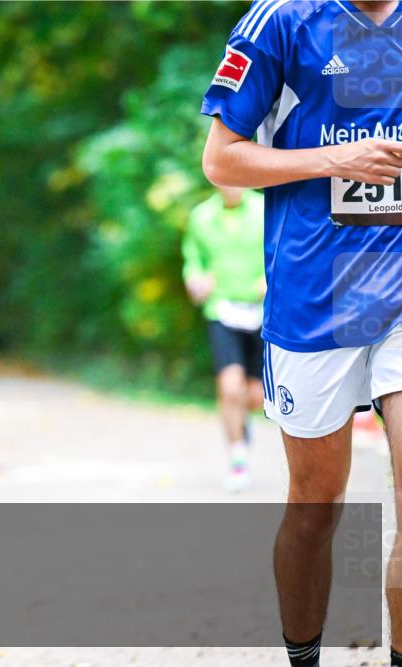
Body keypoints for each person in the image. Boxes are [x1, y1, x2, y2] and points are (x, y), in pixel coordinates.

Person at [202, 1, 402, 666]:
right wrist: (331, 158)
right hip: (316, 296)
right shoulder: (282, 20)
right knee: (316, 508)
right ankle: (304, 658)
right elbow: (222, 162)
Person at [183, 185, 267, 492]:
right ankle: (238, 458)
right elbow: (193, 259)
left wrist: (271, 278)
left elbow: (283, 249)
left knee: (256, 396)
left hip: (261, 309)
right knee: (230, 386)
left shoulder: (264, 207)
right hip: (222, 309)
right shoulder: (202, 216)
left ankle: (240, 421)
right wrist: (195, 280)